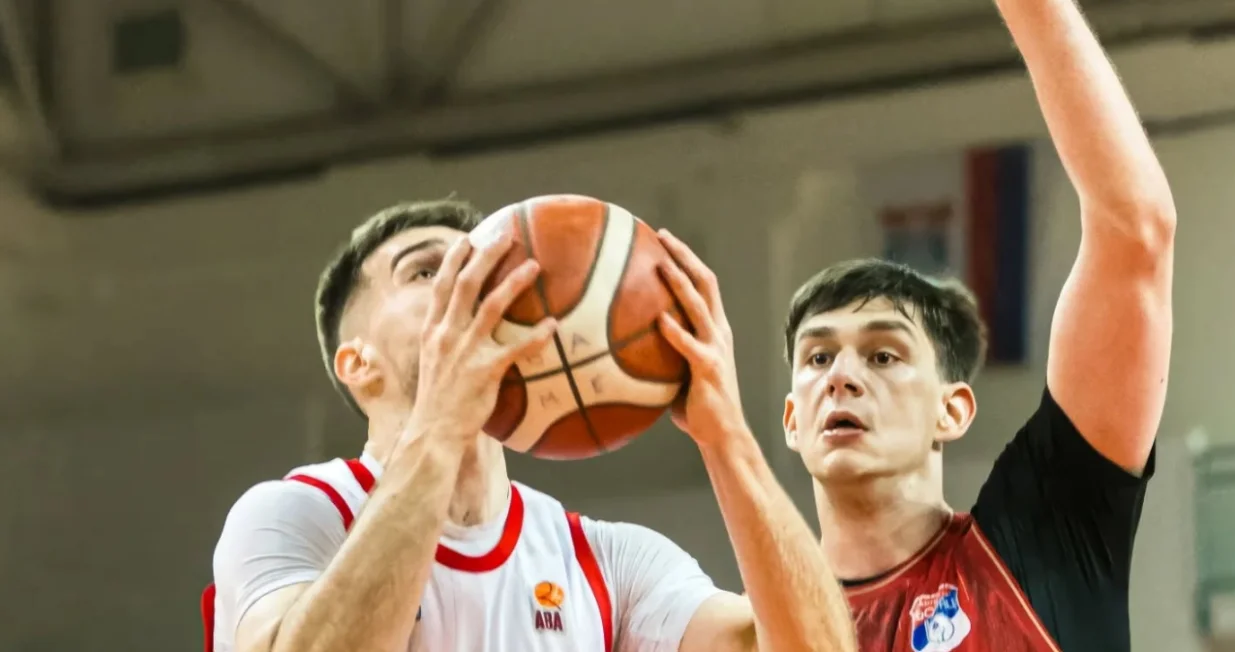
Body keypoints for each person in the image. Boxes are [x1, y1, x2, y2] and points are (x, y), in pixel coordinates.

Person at [202, 199, 857, 652]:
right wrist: (441, 430)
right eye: (430, 271)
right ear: (357, 363)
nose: (474, 287)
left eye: (489, 265)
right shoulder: (294, 514)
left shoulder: (604, 563)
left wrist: (727, 440)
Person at [779, 0, 1174, 650]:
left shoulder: (1039, 543)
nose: (841, 376)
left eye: (882, 355)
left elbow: (1136, 231)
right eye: (817, 358)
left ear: (952, 409)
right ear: (792, 418)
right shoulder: (751, 631)